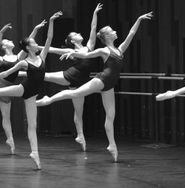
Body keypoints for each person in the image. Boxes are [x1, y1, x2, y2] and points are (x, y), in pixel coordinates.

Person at [37, 12, 154, 162]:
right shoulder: (104, 50)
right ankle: (49, 99)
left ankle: (112, 145)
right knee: (76, 93)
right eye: (113, 31)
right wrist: (72, 53)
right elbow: (86, 56)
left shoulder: (120, 49)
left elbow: (131, 33)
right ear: (107, 37)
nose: (116, 32)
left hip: (110, 85)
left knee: (111, 115)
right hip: (101, 80)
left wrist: (138, 19)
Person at [0, 11, 63, 170]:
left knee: (32, 124)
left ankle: (35, 153)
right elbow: (6, 73)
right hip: (23, 89)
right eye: (33, 42)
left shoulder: (42, 56)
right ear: (27, 47)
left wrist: (51, 20)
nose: (36, 43)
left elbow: (49, 38)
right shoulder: (23, 62)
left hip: (32, 94)